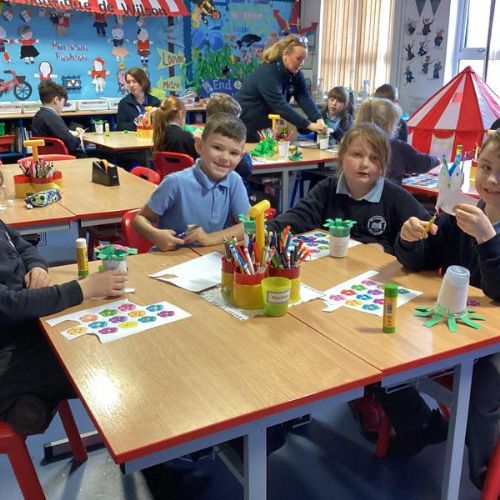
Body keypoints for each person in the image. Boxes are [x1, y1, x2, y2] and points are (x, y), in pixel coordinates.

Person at [392, 129, 500, 490]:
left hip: (492, 343)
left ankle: (484, 475)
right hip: (459, 328)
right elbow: (425, 260)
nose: (491, 179)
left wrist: (488, 240)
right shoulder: (464, 213)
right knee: (389, 343)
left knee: (487, 383)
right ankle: (416, 422)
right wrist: (409, 240)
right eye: (485, 167)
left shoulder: (479, 225)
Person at [0, 170, 127, 436]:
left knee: (91, 338)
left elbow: (24, 247)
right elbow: (8, 305)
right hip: (8, 344)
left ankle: (31, 403)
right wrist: (82, 289)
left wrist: (37, 268)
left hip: (23, 326)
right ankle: (19, 404)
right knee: (83, 355)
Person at [267, 123, 429, 255]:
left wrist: (389, 249)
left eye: (374, 158)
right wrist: (259, 231)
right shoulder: (327, 189)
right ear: (342, 156)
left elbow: (425, 242)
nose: (365, 164)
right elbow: (295, 219)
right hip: (334, 275)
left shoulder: (395, 197)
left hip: (377, 279)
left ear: (384, 165)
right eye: (357, 155)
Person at [133, 113, 251, 250]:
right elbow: (139, 219)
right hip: (171, 260)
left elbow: (249, 225)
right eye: (217, 148)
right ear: (200, 146)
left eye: (234, 153)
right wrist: (155, 235)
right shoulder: (175, 182)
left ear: (241, 156)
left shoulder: (234, 180)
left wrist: (209, 239)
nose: (225, 158)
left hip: (209, 259)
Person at [236, 34, 326, 142]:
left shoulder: (296, 74)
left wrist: (318, 119)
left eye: (303, 60)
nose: (301, 63)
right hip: (244, 126)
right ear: (285, 55)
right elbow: (280, 105)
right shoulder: (267, 73)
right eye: (298, 59)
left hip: (263, 130)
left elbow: (304, 97)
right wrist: (308, 125)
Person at [355, 98, 440, 185]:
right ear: (388, 125)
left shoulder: (351, 143)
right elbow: (423, 164)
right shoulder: (396, 146)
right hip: (386, 197)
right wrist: (437, 160)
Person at [206, 93, 253, 186]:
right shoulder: (229, 143)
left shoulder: (204, 139)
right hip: (233, 194)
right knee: (271, 199)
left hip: (204, 194)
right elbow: (246, 168)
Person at [31, 81, 85, 156]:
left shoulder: (39, 115)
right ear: (56, 100)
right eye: (63, 103)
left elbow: (62, 133)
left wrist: (73, 131)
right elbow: (72, 144)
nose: (63, 107)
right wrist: (80, 137)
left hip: (47, 158)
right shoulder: (52, 117)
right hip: (61, 158)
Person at [152, 96, 197, 160]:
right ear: (180, 114)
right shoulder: (186, 137)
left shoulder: (159, 134)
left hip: (166, 170)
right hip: (185, 169)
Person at [117, 67, 160, 131]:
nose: (131, 85)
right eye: (128, 82)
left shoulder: (155, 102)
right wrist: (137, 123)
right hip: (132, 139)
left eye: (134, 81)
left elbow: (162, 125)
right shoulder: (124, 103)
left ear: (143, 82)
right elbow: (121, 127)